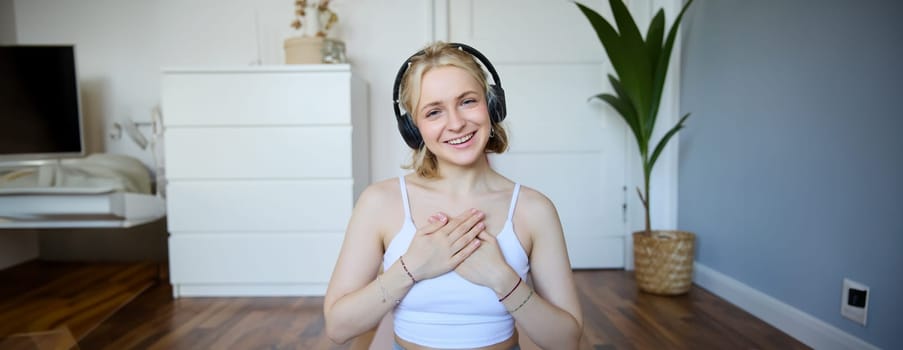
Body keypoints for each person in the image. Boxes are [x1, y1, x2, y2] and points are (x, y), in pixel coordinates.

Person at [324, 42, 583, 350]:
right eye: (434, 111)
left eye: (468, 101)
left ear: (492, 105)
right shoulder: (379, 202)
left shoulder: (534, 210)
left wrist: (502, 279)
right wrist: (412, 267)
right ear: (414, 128)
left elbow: (566, 341)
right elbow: (338, 328)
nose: (457, 123)